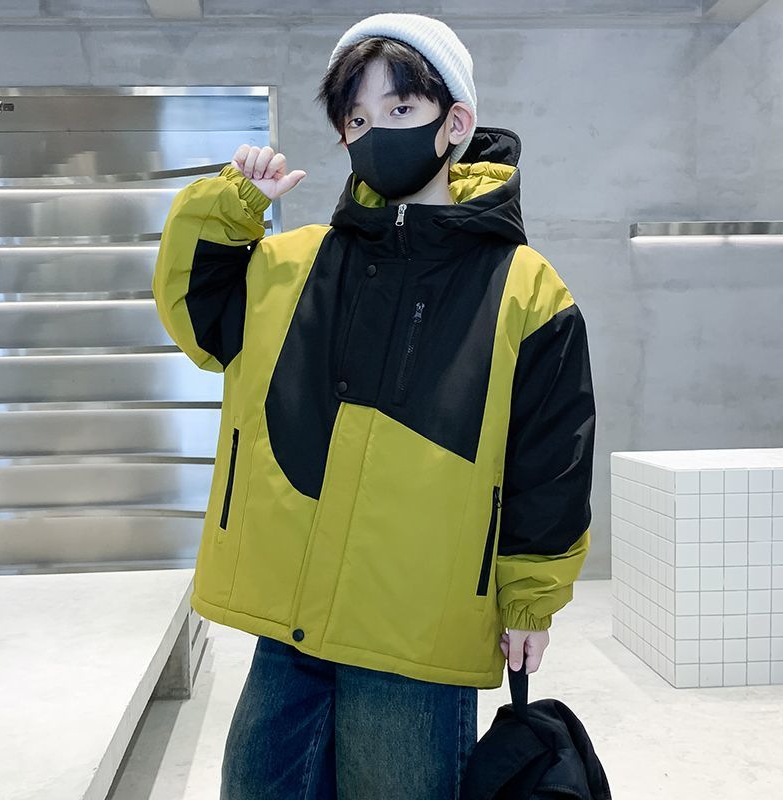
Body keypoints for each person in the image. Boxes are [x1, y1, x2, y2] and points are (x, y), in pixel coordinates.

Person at [152, 12, 595, 800]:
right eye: (356, 118)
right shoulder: (294, 264)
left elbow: (550, 461)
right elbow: (198, 315)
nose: (374, 131)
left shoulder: (527, 289)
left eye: (400, 108)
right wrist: (230, 209)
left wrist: (531, 602)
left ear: (454, 122)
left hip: (414, 635)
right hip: (291, 626)